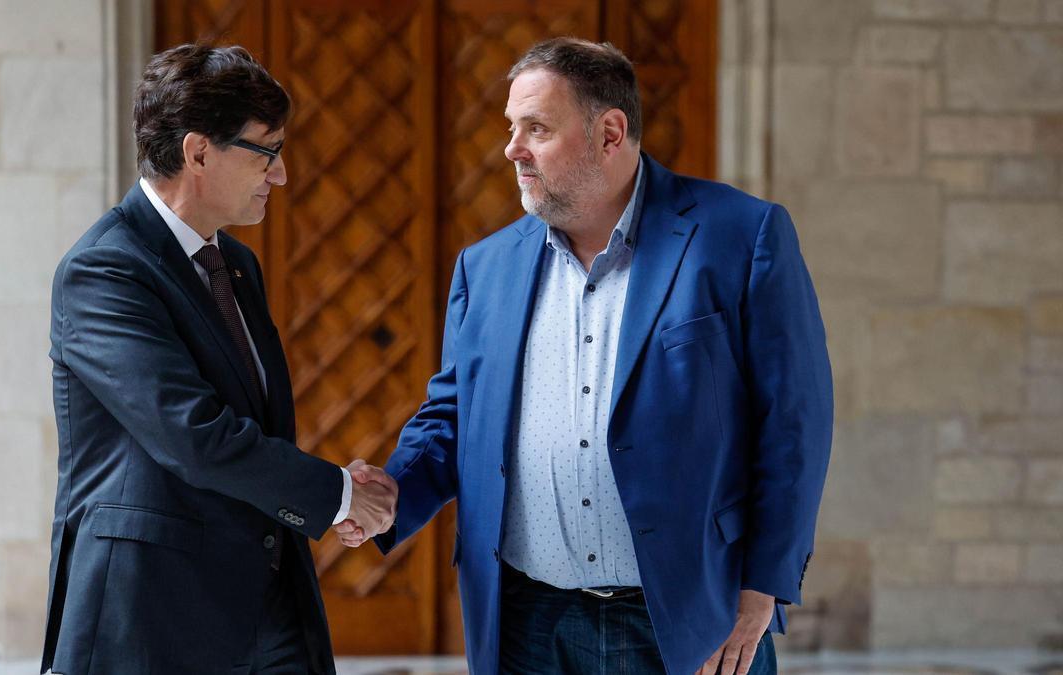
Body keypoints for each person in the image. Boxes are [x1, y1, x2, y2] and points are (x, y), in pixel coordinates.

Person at [337, 37, 833, 675]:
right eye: (511, 128)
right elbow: (454, 415)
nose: (511, 149)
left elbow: (794, 424)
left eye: (536, 128)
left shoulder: (740, 236)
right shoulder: (484, 267)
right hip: (526, 624)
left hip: (687, 618)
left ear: (610, 132)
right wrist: (394, 492)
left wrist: (762, 586)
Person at [42, 43, 395, 675]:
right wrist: (336, 495)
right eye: (267, 151)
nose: (281, 175)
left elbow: (254, 426)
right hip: (153, 619)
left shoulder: (236, 263)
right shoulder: (103, 271)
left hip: (267, 606)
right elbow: (193, 436)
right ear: (198, 151)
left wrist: (331, 497)